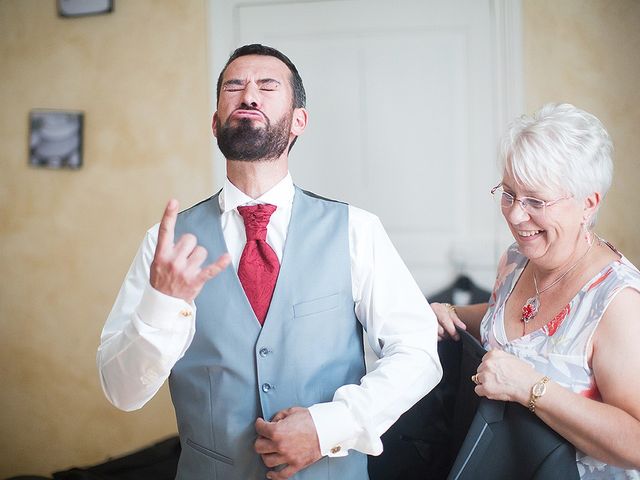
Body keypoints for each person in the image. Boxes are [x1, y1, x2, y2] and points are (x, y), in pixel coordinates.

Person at [97, 44, 442, 480]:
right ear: (215, 122)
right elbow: (122, 391)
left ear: (300, 120)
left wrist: (328, 427)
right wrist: (162, 306)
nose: (249, 95)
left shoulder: (357, 230)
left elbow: (418, 354)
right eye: (234, 86)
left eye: (267, 86)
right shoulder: (164, 244)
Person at [433, 103, 640, 478]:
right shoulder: (516, 259)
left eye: (535, 201)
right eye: (509, 194)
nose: (515, 215)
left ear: (587, 204)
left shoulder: (618, 303)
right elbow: (511, 322)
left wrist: (530, 387)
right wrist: (450, 313)